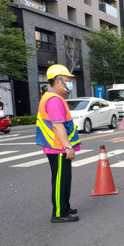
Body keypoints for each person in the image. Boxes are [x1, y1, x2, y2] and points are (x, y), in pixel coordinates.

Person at [35, 64, 81, 223]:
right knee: (61, 180)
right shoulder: (54, 99)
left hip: (56, 146)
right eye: (67, 80)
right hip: (58, 147)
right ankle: (60, 213)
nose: (70, 83)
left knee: (63, 179)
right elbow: (57, 124)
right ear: (58, 81)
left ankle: (65, 207)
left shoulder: (54, 97)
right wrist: (68, 146)